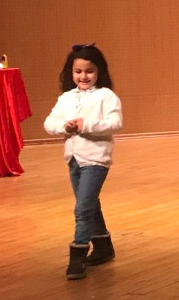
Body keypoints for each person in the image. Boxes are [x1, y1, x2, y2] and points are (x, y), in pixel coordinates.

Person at [43, 43, 123, 280]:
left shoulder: (105, 96)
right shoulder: (66, 98)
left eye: (89, 71)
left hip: (96, 160)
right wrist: (64, 126)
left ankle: (77, 254)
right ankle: (103, 246)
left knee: (82, 209)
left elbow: (115, 123)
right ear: (71, 72)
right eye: (78, 71)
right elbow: (49, 123)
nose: (83, 76)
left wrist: (85, 125)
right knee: (89, 204)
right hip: (74, 160)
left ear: (99, 72)